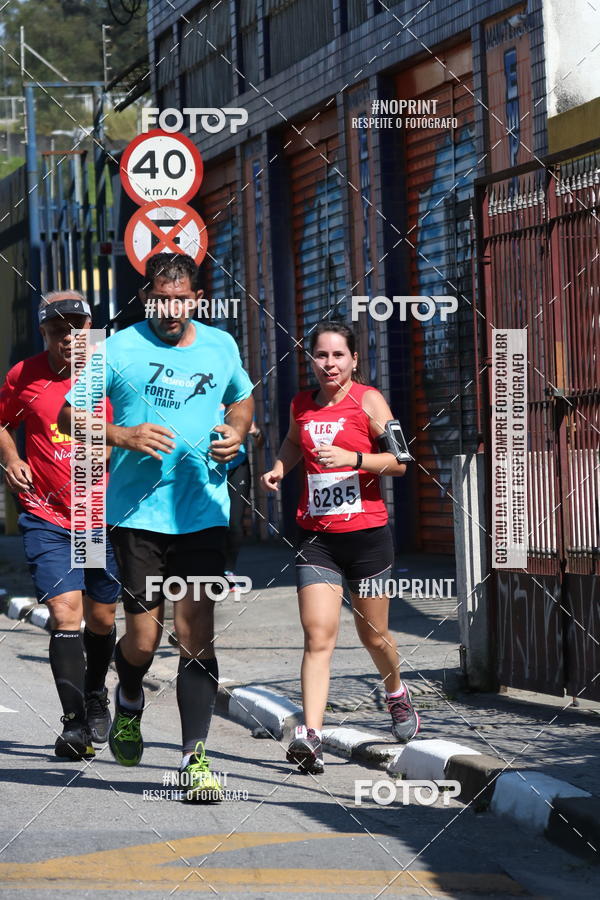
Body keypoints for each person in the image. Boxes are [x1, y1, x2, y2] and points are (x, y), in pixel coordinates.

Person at [58, 253, 254, 801]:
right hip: (137, 517)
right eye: (160, 299)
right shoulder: (116, 348)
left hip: (203, 512)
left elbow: (242, 399)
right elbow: (69, 416)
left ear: (195, 299)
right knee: (143, 638)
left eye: (180, 300)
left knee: (197, 635)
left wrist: (237, 432)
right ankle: (128, 698)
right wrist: (123, 435)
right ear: (148, 298)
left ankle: (195, 760)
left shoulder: (222, 346)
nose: (170, 310)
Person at [261, 321, 419, 774]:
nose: (329, 364)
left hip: (367, 538)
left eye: (338, 356)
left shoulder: (367, 401)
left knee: (374, 636)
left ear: (353, 360)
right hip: (317, 539)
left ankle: (396, 693)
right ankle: (310, 737)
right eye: (321, 356)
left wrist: (353, 459)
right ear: (311, 360)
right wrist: (278, 468)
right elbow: (294, 442)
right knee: (318, 636)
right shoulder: (301, 404)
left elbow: (401, 462)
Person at [0, 291, 120, 760]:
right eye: (59, 330)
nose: (70, 338)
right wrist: (11, 459)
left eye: (78, 328)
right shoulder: (23, 375)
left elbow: (137, 421)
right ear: (44, 333)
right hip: (47, 514)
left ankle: (95, 694)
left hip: (100, 515)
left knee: (102, 618)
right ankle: (74, 725)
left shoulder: (112, 372)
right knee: (65, 613)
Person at [224, 415, 264, 582]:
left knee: (234, 524)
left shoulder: (241, 406)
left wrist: (255, 432)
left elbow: (261, 443)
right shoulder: (204, 401)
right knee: (210, 524)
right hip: (208, 469)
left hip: (237, 466)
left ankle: (228, 571)